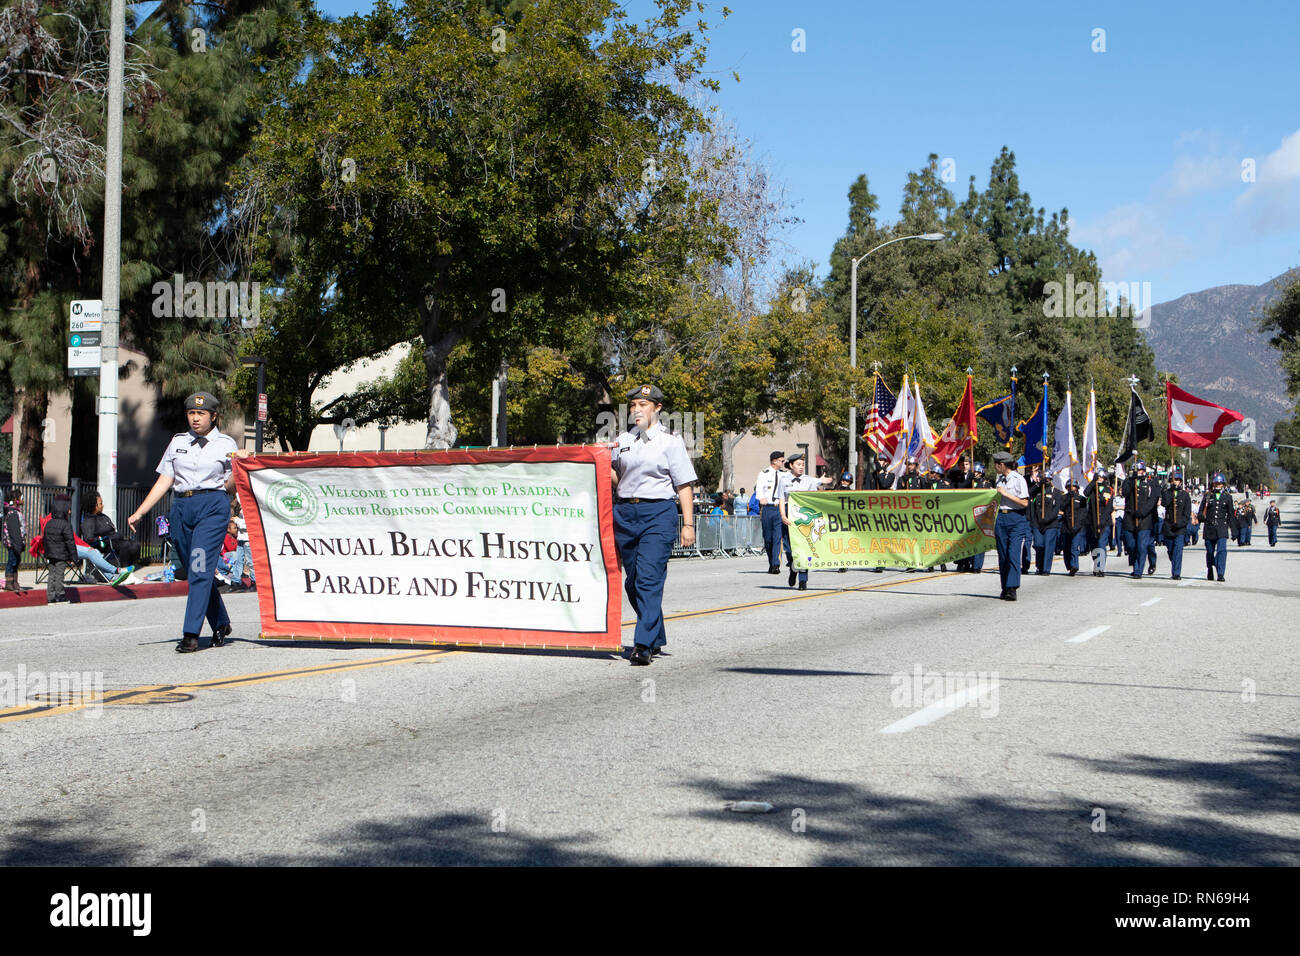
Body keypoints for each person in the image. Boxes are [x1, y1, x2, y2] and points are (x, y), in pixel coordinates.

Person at [128, 391, 250, 653]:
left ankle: (190, 633)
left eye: (201, 414)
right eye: (191, 414)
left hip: (212, 506)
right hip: (182, 507)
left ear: (213, 416)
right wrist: (140, 511)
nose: (195, 419)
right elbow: (165, 479)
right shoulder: (178, 442)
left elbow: (229, 487)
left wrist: (239, 466)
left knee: (199, 567)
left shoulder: (225, 443)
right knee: (196, 570)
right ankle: (220, 622)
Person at [608, 384, 697, 666]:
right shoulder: (623, 440)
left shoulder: (671, 442)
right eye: (633, 405)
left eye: (643, 405)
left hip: (658, 513)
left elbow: (683, 485)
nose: (636, 410)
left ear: (657, 408)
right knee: (633, 583)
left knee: (648, 578)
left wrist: (689, 524)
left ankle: (643, 645)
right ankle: (656, 635)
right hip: (625, 513)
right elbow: (611, 472)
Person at [779, 453, 830, 590]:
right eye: (798, 464)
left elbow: (812, 500)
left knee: (804, 548)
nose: (801, 467)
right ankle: (793, 568)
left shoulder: (809, 481)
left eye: (802, 465)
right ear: (791, 465)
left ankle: (803, 580)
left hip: (804, 518)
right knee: (789, 549)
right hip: (789, 516)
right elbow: (781, 499)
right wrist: (783, 516)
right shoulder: (783, 480)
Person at [992, 451, 1029, 600]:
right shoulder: (999, 480)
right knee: (1003, 555)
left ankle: (1012, 587)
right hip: (1001, 517)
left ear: (1001, 465)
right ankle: (1005, 586)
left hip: (1016, 518)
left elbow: (1025, 502)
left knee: (1013, 553)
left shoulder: (1018, 479)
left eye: (996, 464)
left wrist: (1006, 494)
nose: (995, 467)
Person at [81, 493, 140, 572]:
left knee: (135, 545)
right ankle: (123, 570)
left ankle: (130, 568)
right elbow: (89, 539)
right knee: (125, 545)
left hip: (113, 541)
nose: (103, 505)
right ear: (94, 506)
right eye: (100, 504)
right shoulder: (89, 520)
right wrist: (108, 538)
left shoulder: (103, 516)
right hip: (103, 545)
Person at [1194, 473, 1236, 582]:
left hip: (1222, 528)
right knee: (1210, 552)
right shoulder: (1208, 496)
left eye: (1220, 483)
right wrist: (1201, 516)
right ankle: (1210, 568)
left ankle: (1220, 573)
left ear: (1223, 484)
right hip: (1209, 528)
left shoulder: (1228, 497)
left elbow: (1231, 515)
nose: (1218, 485)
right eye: (1216, 483)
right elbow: (1200, 512)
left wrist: (1234, 531)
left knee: (1222, 551)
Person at [1121, 460, 1159, 579]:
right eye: (1137, 470)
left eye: (1141, 470)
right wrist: (1132, 481)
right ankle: (1134, 564)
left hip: (1145, 518)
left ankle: (1138, 570)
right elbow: (1125, 494)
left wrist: (1143, 512)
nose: (1139, 472)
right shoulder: (1128, 481)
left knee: (1142, 546)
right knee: (1131, 545)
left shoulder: (1150, 482)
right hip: (1130, 517)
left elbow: (1153, 499)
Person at [40, 494, 77, 603]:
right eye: (68, 509)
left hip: (51, 554)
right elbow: (70, 542)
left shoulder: (49, 523)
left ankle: (50, 596)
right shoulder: (66, 525)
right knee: (60, 575)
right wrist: (73, 557)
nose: (69, 512)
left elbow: (45, 539)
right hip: (61, 555)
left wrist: (47, 552)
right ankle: (59, 595)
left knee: (52, 574)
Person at [1027, 465, 1063, 575]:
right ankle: (1039, 566)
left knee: (1048, 546)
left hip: (1050, 523)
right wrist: (1038, 484)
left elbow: (1056, 509)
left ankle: (1046, 569)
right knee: (1038, 545)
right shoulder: (1036, 491)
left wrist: (1046, 520)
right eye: (1044, 479)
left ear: (1051, 479)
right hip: (1037, 523)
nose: (1046, 481)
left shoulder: (1056, 492)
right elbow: (1028, 492)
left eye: (1047, 479)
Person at [1160, 470, 1192, 580]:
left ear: (1181, 482)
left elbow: (1187, 514)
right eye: (1173, 480)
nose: (1175, 482)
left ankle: (1176, 573)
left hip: (1180, 528)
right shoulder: (1167, 492)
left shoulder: (1185, 495)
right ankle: (1174, 561)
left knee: (1178, 550)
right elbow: (1164, 503)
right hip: (1169, 525)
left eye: (1177, 480)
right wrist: (1171, 492)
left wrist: (1181, 523)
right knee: (1170, 550)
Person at [1083, 467, 1114, 576]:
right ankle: (1097, 564)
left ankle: (1100, 568)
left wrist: (1102, 520)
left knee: (1101, 544)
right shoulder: (1092, 488)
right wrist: (1093, 481)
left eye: (1102, 477)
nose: (1100, 478)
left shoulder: (1108, 489)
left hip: (1104, 522)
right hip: (1092, 522)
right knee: (1094, 545)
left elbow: (1109, 507)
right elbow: (1085, 493)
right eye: (1098, 476)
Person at [1059, 478, 1088, 576]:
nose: (1071, 488)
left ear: (1077, 487)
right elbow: (1060, 507)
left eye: (1073, 486)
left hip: (1077, 526)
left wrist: (1077, 525)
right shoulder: (1063, 498)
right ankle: (1069, 566)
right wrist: (1068, 499)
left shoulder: (1081, 499)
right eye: (1069, 486)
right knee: (1066, 548)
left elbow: (1083, 513)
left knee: (1074, 547)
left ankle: (1074, 565)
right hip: (1066, 525)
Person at [968, 462, 992, 574]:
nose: (976, 474)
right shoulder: (971, 483)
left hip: (982, 514)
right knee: (970, 540)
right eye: (975, 472)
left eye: (978, 472)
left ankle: (977, 565)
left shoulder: (986, 484)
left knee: (980, 540)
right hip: (969, 514)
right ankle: (971, 562)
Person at [3, 489, 28, 592]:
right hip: (13, 544)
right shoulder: (13, 514)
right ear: (15, 499)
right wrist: (17, 545)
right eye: (21, 497)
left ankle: (15, 582)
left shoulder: (15, 512)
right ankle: (9, 583)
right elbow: (14, 532)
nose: (23, 499)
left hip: (16, 543)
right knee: (12, 562)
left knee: (16, 562)